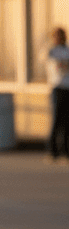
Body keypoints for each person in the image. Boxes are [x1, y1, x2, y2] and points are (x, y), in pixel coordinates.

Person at [47, 27, 69, 160]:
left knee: (67, 121)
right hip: (57, 88)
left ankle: (65, 151)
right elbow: (59, 67)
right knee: (56, 120)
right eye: (56, 36)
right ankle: (52, 151)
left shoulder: (67, 51)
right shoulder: (51, 51)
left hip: (67, 88)